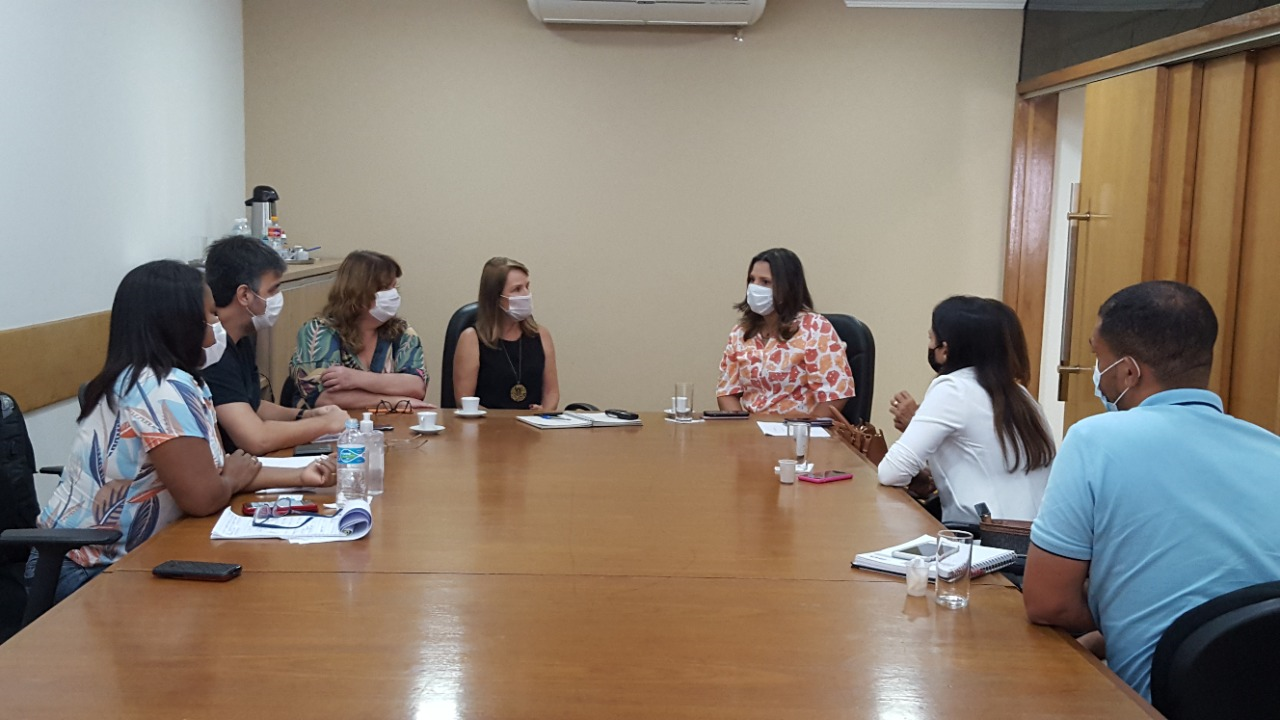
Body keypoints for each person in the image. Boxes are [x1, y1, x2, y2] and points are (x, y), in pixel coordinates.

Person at [1023, 281, 1280, 701]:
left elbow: (1048, 603)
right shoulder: (1273, 450)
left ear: (1128, 371)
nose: (1097, 374)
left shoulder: (1094, 440)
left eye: (1097, 358)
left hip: (1152, 701)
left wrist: (1126, 622)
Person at [31, 260, 335, 603]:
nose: (217, 327)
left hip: (132, 556)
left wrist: (303, 475)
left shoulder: (176, 382)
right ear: (179, 323)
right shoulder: (160, 390)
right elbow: (204, 496)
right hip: (85, 569)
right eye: (211, 315)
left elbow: (216, 472)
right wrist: (232, 478)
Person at [878, 297, 1054, 526]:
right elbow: (983, 463)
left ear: (945, 350)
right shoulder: (1021, 395)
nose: (930, 345)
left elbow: (891, 472)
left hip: (984, 538)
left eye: (931, 338)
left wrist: (914, 425)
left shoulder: (953, 389)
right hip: (1034, 537)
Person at [203, 236, 348, 454]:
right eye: (272, 290)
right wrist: (326, 424)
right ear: (244, 295)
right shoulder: (212, 350)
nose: (278, 298)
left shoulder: (240, 337)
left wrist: (306, 415)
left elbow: (251, 405)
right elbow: (256, 439)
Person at [716, 248, 855, 417]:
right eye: (752, 280)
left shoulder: (814, 328)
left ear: (787, 287)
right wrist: (740, 428)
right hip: (751, 428)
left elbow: (836, 394)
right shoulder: (741, 332)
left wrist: (805, 429)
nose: (755, 287)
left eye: (765, 282)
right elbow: (727, 392)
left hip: (799, 428)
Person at [288, 250, 430, 410]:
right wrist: (393, 401)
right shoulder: (318, 332)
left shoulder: (402, 332)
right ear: (358, 294)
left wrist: (356, 379)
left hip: (392, 424)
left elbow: (416, 387)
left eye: (394, 287)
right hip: (327, 424)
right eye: (385, 289)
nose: (393, 295)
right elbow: (323, 398)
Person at [453, 257, 560, 411]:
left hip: (534, 424)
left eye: (527, 287)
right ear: (496, 297)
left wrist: (545, 413)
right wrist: (505, 421)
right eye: (517, 289)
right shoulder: (471, 338)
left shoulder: (541, 335)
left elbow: (551, 393)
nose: (526, 294)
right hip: (487, 424)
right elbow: (464, 401)